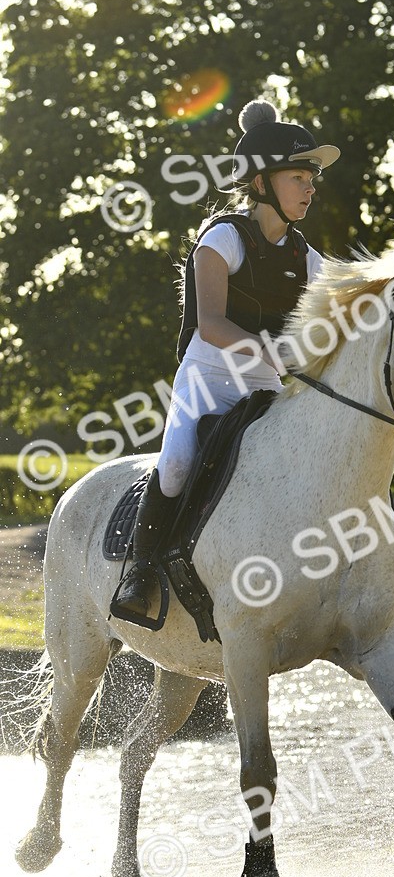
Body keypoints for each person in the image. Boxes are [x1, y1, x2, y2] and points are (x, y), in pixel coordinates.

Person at [114, 99, 338, 617]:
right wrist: (277, 353)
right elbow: (212, 324)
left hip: (269, 384)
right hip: (209, 375)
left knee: (331, 456)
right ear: (261, 184)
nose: (310, 188)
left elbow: (342, 323)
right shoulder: (223, 239)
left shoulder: (310, 258)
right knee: (173, 466)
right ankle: (140, 574)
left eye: (312, 178)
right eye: (299, 177)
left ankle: (374, 568)